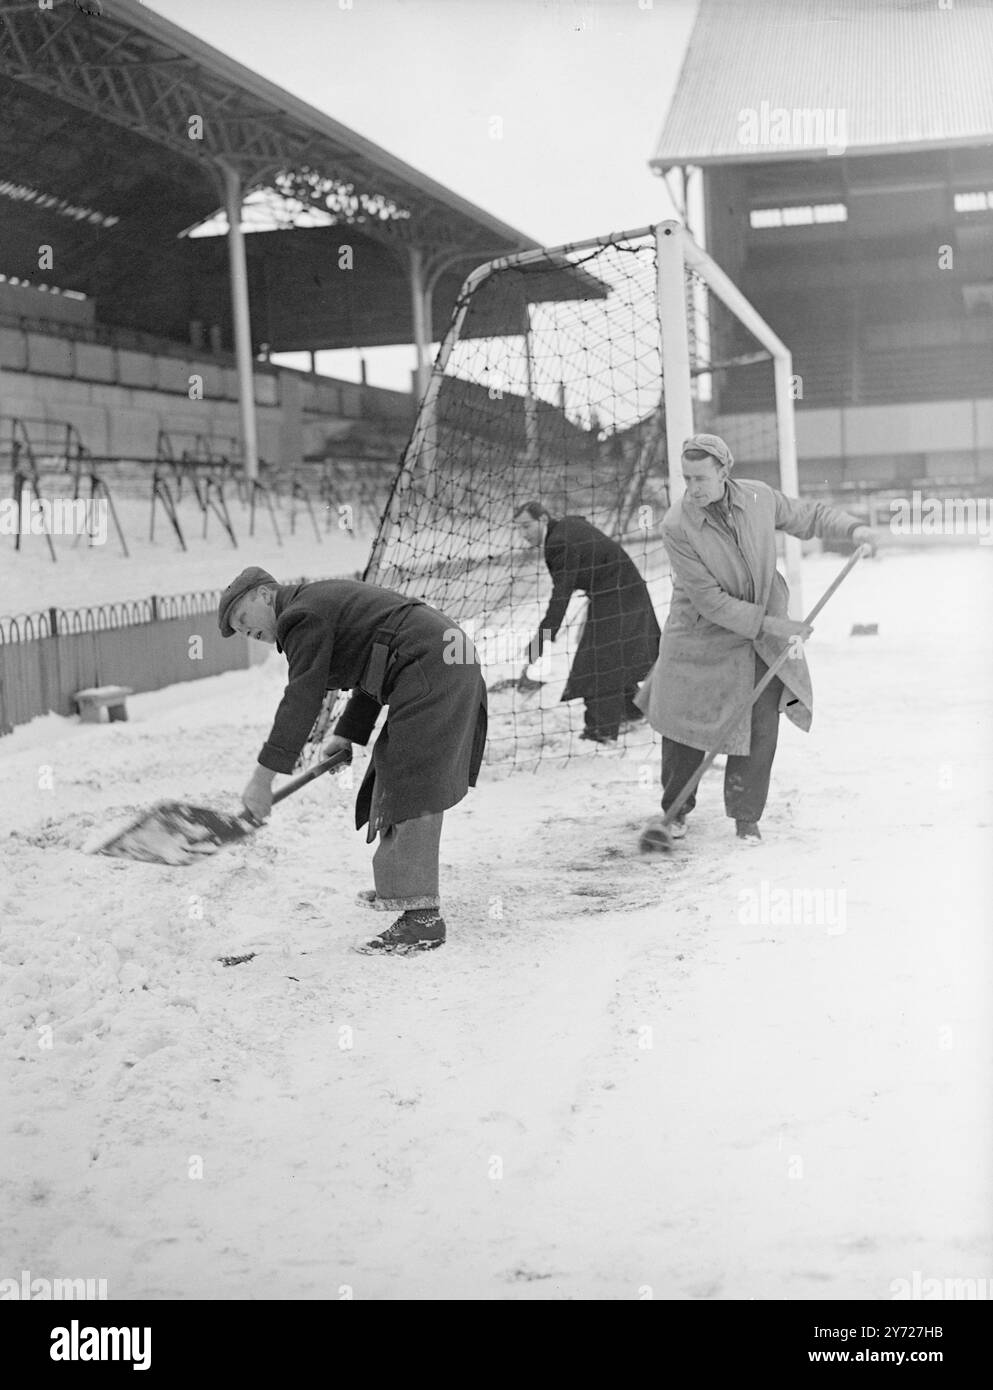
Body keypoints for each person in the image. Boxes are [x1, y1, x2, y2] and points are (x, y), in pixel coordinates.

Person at [218, 567, 487, 954]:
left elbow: (302, 698)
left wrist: (263, 779)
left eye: (243, 620)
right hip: (438, 657)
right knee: (394, 768)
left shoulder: (300, 617)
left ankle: (421, 919)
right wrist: (349, 733)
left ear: (263, 595)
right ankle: (401, 887)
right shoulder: (312, 606)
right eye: (240, 632)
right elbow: (376, 659)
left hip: (435, 663)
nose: (249, 634)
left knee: (413, 780)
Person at [636, 434, 877, 842]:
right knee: (686, 727)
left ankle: (746, 817)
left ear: (724, 472)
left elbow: (810, 515)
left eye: (700, 479)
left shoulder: (759, 498)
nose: (692, 489)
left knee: (761, 722)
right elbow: (710, 601)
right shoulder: (677, 525)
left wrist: (853, 529)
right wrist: (773, 625)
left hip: (757, 637)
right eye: (686, 479)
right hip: (699, 639)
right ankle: (675, 809)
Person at [514, 502, 662, 742]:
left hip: (619, 597)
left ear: (542, 519)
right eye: (518, 529)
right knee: (613, 655)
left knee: (598, 662)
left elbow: (560, 595)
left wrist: (540, 640)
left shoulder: (559, 542)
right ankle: (631, 713)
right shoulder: (567, 527)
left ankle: (601, 731)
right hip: (623, 593)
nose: (523, 534)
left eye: (526, 526)